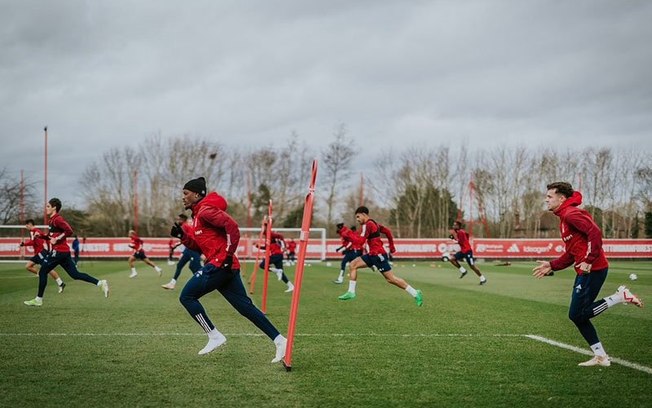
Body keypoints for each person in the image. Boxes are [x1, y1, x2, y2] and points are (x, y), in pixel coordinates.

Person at [172, 176, 287, 362]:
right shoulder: (198, 215)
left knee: (187, 296)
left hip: (220, 264)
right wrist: (182, 237)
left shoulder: (205, 211)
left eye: (185, 193)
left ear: (196, 194)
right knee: (245, 308)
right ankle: (280, 340)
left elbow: (232, 228)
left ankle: (214, 336)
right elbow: (200, 245)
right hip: (225, 265)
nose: (183, 197)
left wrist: (226, 255)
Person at [532, 182, 643, 367]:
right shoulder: (564, 218)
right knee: (577, 315)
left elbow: (595, 232)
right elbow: (571, 253)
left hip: (594, 269)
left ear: (562, 199)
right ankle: (600, 356)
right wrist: (552, 265)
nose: (546, 199)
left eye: (549, 196)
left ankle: (619, 297)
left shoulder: (571, 214)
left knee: (577, 314)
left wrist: (589, 260)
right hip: (586, 269)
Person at [23, 198, 109, 306]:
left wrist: (57, 239)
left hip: (59, 252)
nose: (46, 208)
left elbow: (69, 231)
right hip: (64, 252)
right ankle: (100, 283)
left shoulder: (57, 219)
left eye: (48, 206)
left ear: (54, 207)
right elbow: (51, 237)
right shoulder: (51, 220)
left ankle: (39, 299)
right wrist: (42, 236)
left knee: (43, 271)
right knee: (75, 274)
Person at [337, 206, 423, 306]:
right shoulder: (374, 223)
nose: (357, 220)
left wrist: (349, 235)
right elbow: (387, 232)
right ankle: (351, 292)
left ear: (364, 214)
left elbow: (360, 242)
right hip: (372, 254)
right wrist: (391, 245)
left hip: (378, 255)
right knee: (353, 265)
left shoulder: (367, 225)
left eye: (358, 217)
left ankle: (415, 293)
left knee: (391, 279)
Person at [20, 219, 66, 293]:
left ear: (30, 224)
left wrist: (24, 244)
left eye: (26, 225)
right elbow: (45, 239)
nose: (26, 226)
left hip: (40, 253)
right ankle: (41, 273)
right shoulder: (37, 230)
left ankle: (60, 283)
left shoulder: (33, 231)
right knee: (28, 266)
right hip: (38, 254)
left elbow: (32, 242)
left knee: (49, 269)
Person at [162, 214, 202, 290]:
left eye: (179, 219)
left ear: (183, 220)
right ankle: (172, 283)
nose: (178, 221)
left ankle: (205, 281)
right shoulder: (184, 226)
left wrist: (177, 244)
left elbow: (189, 238)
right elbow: (185, 238)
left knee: (196, 267)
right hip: (188, 249)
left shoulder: (185, 226)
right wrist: (178, 244)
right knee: (180, 265)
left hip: (193, 249)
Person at [257, 225, 294, 293]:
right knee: (281, 272)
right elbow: (266, 247)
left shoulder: (271, 234)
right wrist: (259, 246)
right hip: (277, 255)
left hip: (276, 255)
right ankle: (291, 286)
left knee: (262, 265)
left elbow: (281, 236)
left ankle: (277, 271)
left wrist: (284, 246)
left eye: (263, 229)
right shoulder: (267, 238)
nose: (261, 230)